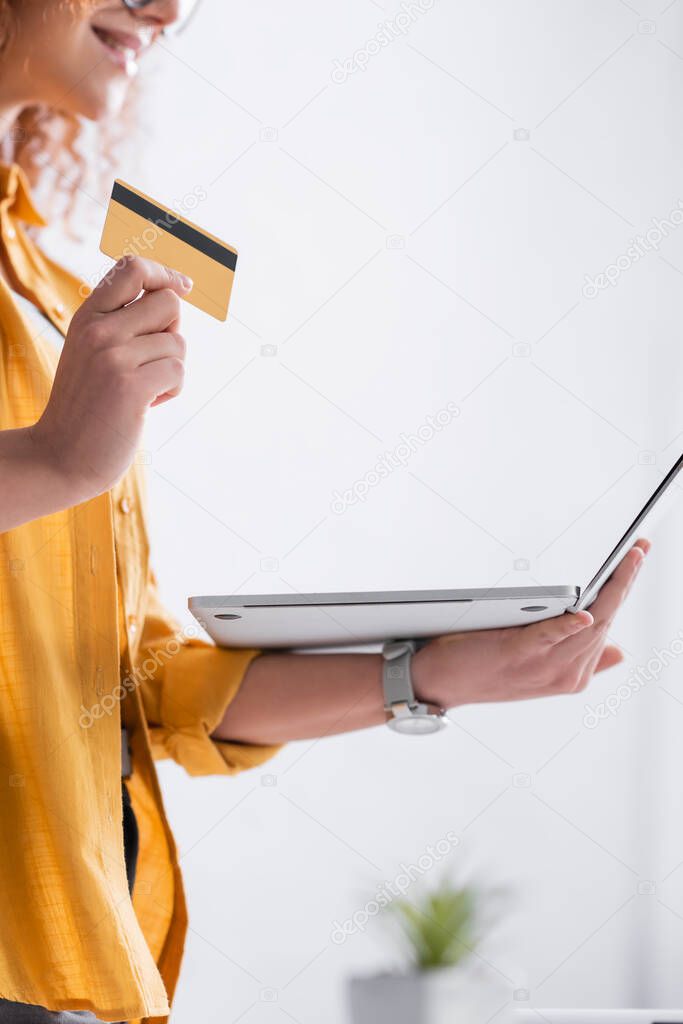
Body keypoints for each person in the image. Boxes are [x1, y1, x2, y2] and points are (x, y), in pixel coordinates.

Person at [0, 1, 648, 1021]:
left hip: (65, 943)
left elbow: (131, 683)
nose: (166, 7)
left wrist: (430, 671)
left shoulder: (40, 288)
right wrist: (50, 458)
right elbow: (60, 472)